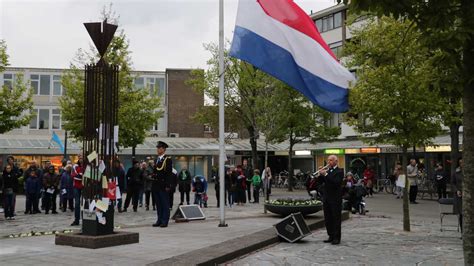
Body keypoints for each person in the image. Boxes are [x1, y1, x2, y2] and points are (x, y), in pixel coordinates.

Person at [317, 155, 344, 245]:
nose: (329, 162)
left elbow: (336, 182)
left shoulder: (340, 171)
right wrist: (320, 175)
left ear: (336, 161)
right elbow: (321, 182)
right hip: (327, 198)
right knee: (328, 218)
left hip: (335, 198)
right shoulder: (327, 171)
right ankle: (330, 235)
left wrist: (326, 174)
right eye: (328, 160)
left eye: (331, 160)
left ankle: (336, 238)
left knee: (336, 218)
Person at [152, 141, 173, 228]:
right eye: (157, 148)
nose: (158, 149)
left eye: (159, 148)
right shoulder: (156, 159)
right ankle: (159, 220)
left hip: (163, 185)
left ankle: (165, 221)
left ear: (163, 149)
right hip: (156, 185)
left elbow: (168, 174)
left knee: (165, 204)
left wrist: (168, 185)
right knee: (158, 204)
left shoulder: (167, 159)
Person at [71, 156, 84, 226]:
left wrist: (80, 175)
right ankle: (77, 220)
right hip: (76, 186)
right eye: (80, 158)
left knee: (85, 204)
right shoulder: (75, 166)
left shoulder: (86, 166)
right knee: (77, 203)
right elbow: (73, 176)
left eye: (82, 158)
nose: (81, 159)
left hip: (84, 187)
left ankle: (85, 219)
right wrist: (81, 176)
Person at [453, 158, 463, 232]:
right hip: (459, 195)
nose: (462, 164)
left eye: (463, 162)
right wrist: (457, 190)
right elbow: (453, 183)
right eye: (460, 163)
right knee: (461, 214)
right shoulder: (456, 172)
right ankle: (463, 231)